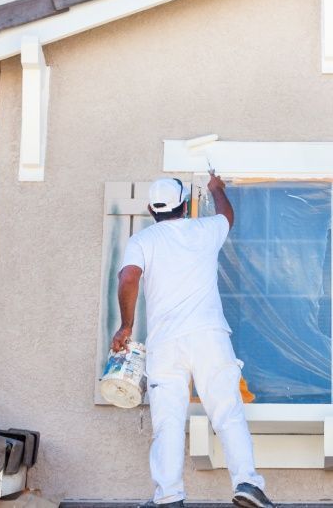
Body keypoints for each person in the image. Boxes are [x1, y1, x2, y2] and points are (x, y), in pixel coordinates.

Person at [111, 173, 273, 508]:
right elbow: (227, 216)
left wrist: (126, 326)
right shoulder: (204, 230)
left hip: (165, 345)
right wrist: (216, 189)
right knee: (227, 411)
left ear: (149, 210)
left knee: (168, 422)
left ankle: (169, 496)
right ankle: (246, 483)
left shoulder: (143, 241)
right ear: (185, 205)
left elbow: (129, 276)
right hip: (208, 337)